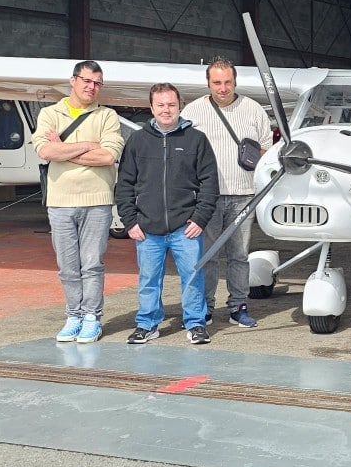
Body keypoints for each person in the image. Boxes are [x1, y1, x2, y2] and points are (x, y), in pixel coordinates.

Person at [115, 83, 220, 346]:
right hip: (147, 227)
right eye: (160, 105)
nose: (166, 110)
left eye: (171, 104)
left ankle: (195, 323)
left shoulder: (196, 140)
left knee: (193, 277)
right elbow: (125, 183)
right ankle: (147, 324)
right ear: (151, 107)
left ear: (179, 106)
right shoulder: (138, 141)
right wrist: (130, 221)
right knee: (149, 279)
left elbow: (209, 182)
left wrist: (200, 218)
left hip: (185, 227)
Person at [32, 60, 125, 344]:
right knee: (68, 265)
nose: (91, 87)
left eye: (97, 83)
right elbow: (45, 150)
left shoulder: (107, 116)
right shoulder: (50, 113)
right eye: (86, 80)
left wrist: (65, 149)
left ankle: (91, 317)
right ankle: (73, 315)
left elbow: (108, 157)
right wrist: (88, 145)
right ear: (73, 80)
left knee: (92, 263)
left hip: (97, 201)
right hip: (60, 202)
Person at [180, 59, 273, 330]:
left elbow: (267, 151)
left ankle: (238, 306)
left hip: (244, 194)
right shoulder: (193, 111)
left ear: (235, 82)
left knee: (239, 255)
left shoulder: (253, 109)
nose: (223, 88)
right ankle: (205, 306)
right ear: (208, 84)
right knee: (207, 255)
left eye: (227, 82)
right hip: (206, 198)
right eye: (217, 83)